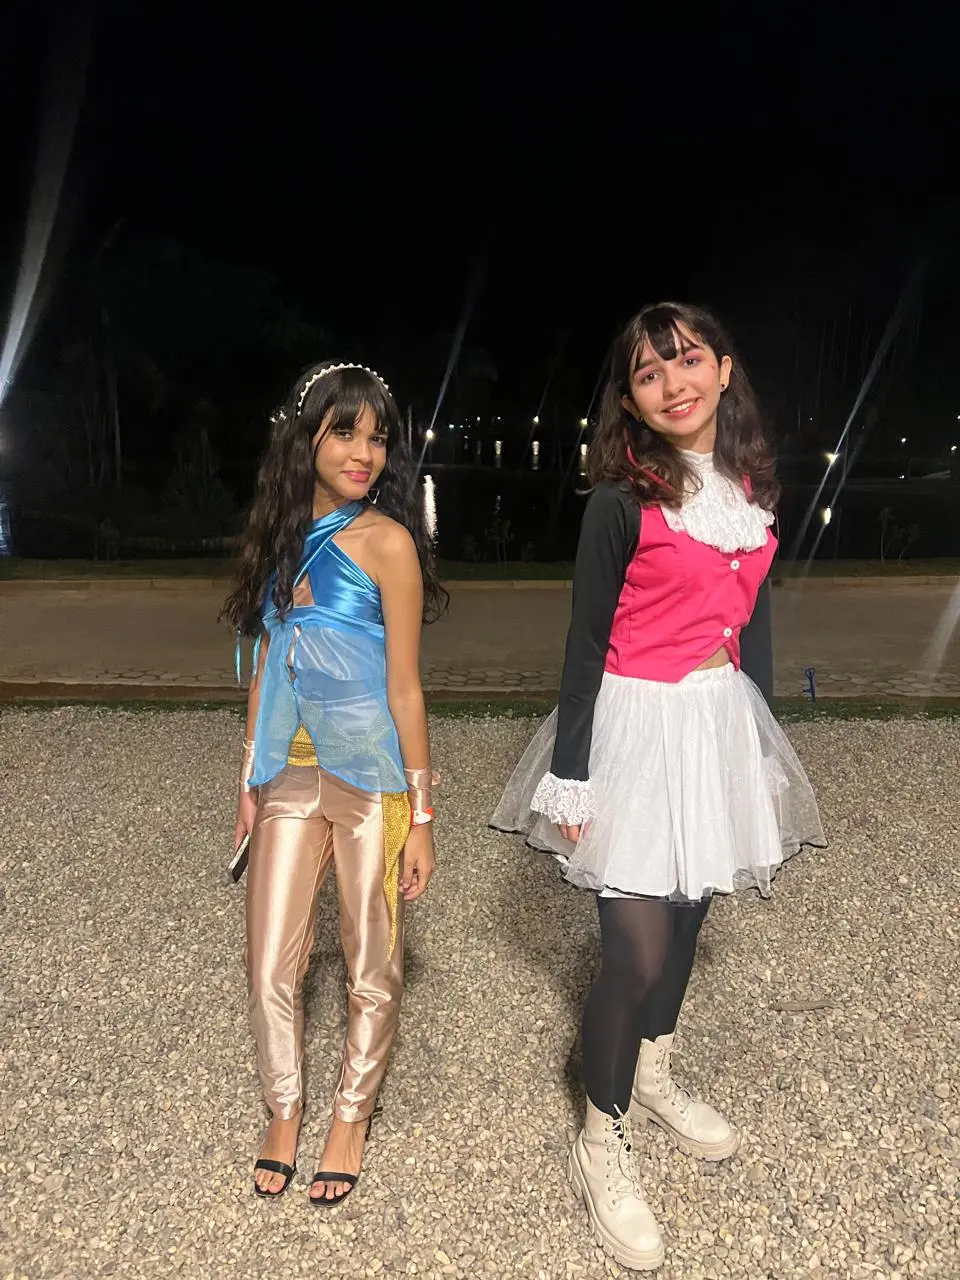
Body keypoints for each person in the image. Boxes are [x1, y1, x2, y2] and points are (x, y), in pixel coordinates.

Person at [492, 303, 825, 1271]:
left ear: (723, 369)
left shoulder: (751, 486)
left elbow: (753, 623)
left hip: (718, 723)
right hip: (635, 726)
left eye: (687, 360)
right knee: (634, 953)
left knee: (688, 921)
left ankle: (655, 1074)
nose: (673, 382)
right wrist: (571, 771)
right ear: (630, 399)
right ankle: (601, 1138)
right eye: (649, 372)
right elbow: (585, 644)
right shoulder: (619, 502)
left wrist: (761, 746)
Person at [221, 361, 444, 1206]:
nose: (364, 452)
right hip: (289, 775)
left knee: (370, 960)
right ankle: (284, 1107)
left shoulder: (388, 544)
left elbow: (406, 689)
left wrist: (422, 815)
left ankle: (350, 1117)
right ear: (304, 436)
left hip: (371, 781)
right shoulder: (280, 540)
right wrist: (248, 781)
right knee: (269, 962)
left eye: (378, 437)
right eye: (344, 431)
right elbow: (265, 665)